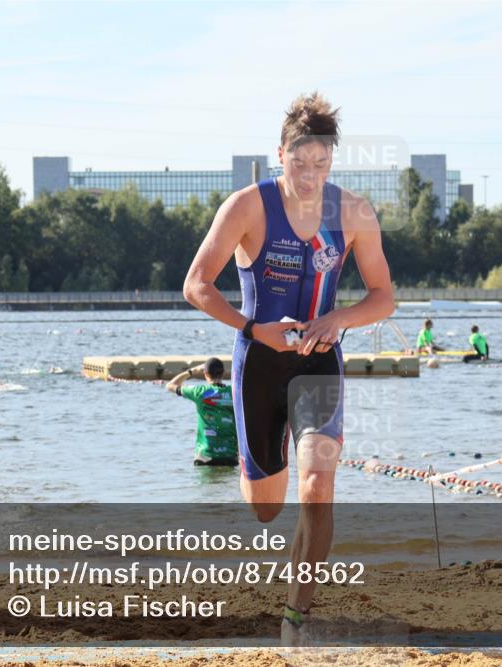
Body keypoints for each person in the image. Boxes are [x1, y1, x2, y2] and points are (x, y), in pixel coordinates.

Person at [182, 91, 394, 643]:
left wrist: (340, 319)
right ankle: (268, 456)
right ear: (280, 154)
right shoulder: (247, 207)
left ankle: (295, 617)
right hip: (259, 364)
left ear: (332, 160)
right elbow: (196, 285)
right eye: (299, 163)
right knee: (266, 510)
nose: (308, 174)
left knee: (318, 483)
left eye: (320, 164)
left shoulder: (353, 213)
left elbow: (383, 297)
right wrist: (252, 328)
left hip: (319, 364)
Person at [166, 357, 238, 466]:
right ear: (223, 373)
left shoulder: (199, 392)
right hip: (229, 456)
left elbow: (170, 385)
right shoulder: (234, 393)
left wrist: (191, 371)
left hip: (205, 456)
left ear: (205, 373)